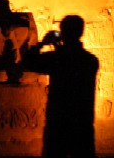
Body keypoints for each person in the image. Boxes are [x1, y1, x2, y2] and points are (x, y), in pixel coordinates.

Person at [22, 15, 99, 158]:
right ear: (81, 32)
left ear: (63, 32)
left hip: (58, 123)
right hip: (82, 123)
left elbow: (28, 61)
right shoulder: (90, 61)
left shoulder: (56, 58)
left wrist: (42, 43)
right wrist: (59, 48)